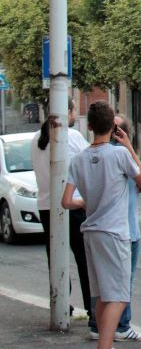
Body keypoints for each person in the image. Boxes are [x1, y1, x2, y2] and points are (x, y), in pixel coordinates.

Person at [62, 101, 141, 349]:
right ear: (113, 128)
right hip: (114, 233)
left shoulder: (77, 160)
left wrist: (87, 203)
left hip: (90, 231)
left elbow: (66, 201)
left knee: (102, 295)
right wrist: (129, 148)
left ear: (88, 126)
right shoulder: (119, 155)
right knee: (119, 296)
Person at [31, 99, 96, 335]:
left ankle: (61, 303)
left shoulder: (36, 140)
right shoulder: (71, 136)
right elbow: (90, 161)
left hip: (46, 206)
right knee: (84, 259)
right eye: (72, 111)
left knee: (56, 258)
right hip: (73, 205)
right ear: (66, 112)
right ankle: (92, 309)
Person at [112, 115, 141, 341]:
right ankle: (122, 326)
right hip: (127, 232)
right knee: (124, 283)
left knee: (105, 283)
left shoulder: (93, 155)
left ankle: (99, 324)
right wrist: (130, 148)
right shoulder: (124, 157)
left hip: (106, 230)